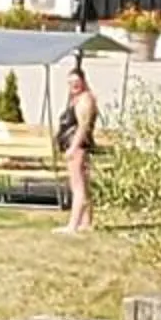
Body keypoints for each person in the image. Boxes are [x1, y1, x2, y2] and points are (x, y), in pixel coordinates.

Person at [54, 65, 99, 234]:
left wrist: (73, 148)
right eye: (70, 83)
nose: (73, 86)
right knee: (83, 186)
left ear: (83, 81)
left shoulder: (85, 100)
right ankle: (86, 222)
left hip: (78, 147)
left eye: (76, 82)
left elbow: (83, 127)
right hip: (76, 146)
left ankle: (72, 226)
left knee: (78, 187)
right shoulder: (78, 98)